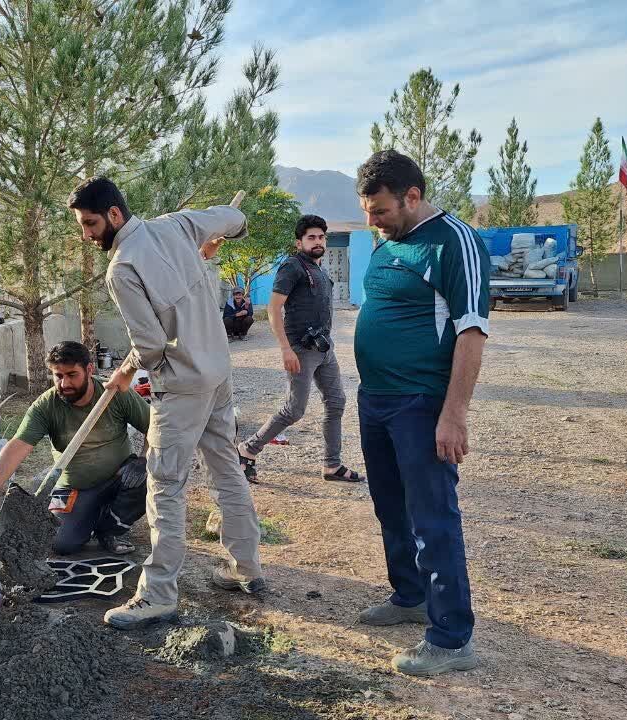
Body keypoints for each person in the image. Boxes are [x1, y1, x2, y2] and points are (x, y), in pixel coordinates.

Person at [69, 177, 264, 631]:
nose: (87, 234)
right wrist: (221, 233)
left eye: (90, 223)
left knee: (164, 487)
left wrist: (130, 366)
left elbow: (152, 345)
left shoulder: (122, 268)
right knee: (227, 469)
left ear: (114, 215)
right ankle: (248, 567)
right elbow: (235, 218)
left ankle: (157, 595)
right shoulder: (177, 226)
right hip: (217, 372)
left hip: (180, 388)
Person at [353, 150, 490, 676]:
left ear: (413, 196)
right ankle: (408, 596)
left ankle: (452, 639)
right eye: (366, 210)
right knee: (390, 506)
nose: (372, 221)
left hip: (421, 403)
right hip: (377, 399)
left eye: (380, 210)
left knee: (433, 518)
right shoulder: (387, 241)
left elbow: (472, 331)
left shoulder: (454, 241)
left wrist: (454, 414)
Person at [0, 341, 150, 555]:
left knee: (151, 476)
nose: (64, 383)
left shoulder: (115, 393)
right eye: (58, 376)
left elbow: (154, 426)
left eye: (72, 374)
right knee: (61, 544)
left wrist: (145, 459)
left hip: (119, 478)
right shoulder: (45, 406)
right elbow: (18, 445)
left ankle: (110, 530)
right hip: (73, 488)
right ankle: (91, 516)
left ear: (89, 370)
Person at [237, 215, 365, 484]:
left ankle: (332, 465)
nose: (318, 241)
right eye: (311, 237)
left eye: (321, 237)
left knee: (336, 401)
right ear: (299, 242)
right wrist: (286, 349)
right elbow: (273, 308)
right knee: (294, 410)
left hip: (323, 348)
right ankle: (247, 450)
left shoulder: (320, 269)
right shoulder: (292, 267)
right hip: (301, 350)